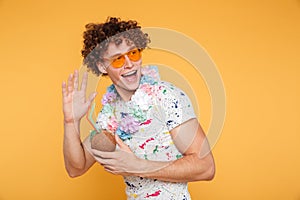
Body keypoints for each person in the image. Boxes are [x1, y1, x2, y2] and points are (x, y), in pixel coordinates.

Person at [62, 17, 215, 199]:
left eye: (133, 53)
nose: (129, 63)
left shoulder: (166, 97)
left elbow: (206, 166)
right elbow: (76, 168)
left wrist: (137, 166)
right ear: (103, 66)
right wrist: (71, 121)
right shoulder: (110, 114)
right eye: (118, 59)